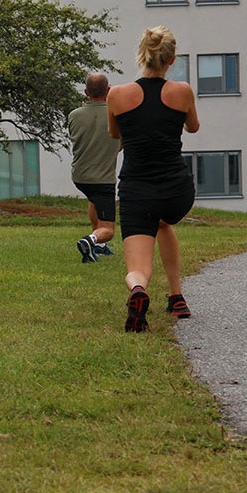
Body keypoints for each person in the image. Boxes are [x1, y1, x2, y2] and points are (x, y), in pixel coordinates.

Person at [107, 26, 200, 332]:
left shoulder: (117, 95)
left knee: (137, 268)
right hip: (176, 189)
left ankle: (138, 291)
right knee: (164, 222)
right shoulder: (183, 91)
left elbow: (114, 134)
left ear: (141, 54)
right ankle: (176, 298)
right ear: (171, 59)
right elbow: (193, 127)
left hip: (137, 190)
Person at [68, 72, 121, 263]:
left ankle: (98, 248)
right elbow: (120, 144)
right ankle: (90, 240)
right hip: (103, 179)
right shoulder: (116, 114)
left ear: (86, 92)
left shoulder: (74, 115)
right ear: (108, 90)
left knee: (94, 200)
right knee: (108, 229)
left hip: (80, 177)